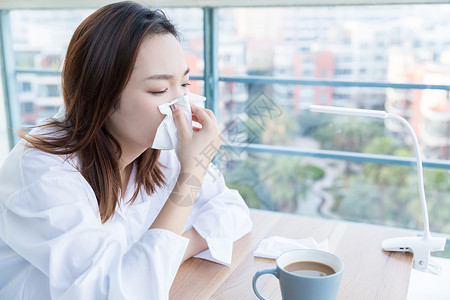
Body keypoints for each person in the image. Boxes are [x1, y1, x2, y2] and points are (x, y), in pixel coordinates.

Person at [0, 2, 252, 299]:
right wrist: (190, 175)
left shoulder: (160, 143)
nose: (181, 106)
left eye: (184, 83)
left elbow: (233, 211)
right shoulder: (42, 171)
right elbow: (115, 293)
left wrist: (166, 254)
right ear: (101, 95)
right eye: (159, 90)